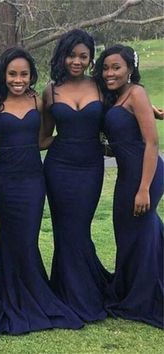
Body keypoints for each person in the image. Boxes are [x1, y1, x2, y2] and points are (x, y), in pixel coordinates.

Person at [0, 46, 84, 335]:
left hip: (34, 180)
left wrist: (75, 141)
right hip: (6, 180)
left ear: (31, 75)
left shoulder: (38, 100)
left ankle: (32, 295)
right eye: (12, 74)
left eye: (24, 74)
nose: (18, 79)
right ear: (4, 75)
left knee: (28, 238)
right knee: (12, 239)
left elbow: (44, 138)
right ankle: (8, 297)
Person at [40, 29, 112, 322]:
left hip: (90, 168)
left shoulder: (100, 86)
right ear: (62, 55)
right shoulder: (51, 90)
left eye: (84, 56)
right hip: (59, 168)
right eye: (72, 55)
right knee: (65, 232)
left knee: (79, 229)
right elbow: (42, 139)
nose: (77, 61)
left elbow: (124, 114)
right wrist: (66, 141)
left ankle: (84, 289)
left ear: (91, 58)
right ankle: (69, 294)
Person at [93, 44, 163, 329]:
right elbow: (118, 143)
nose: (110, 73)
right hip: (126, 175)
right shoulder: (117, 97)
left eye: (116, 67)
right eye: (106, 68)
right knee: (130, 233)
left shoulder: (136, 94)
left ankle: (142, 298)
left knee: (140, 234)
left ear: (130, 69)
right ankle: (131, 287)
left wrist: (144, 187)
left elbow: (151, 143)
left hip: (145, 175)